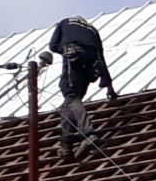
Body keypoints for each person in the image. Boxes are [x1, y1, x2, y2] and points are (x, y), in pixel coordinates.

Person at [47, 15, 114, 160]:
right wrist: (109, 86)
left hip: (74, 55)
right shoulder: (93, 30)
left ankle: (88, 134)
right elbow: (101, 57)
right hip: (91, 62)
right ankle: (67, 145)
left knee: (72, 97)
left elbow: (52, 46)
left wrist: (65, 50)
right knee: (70, 101)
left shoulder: (64, 22)